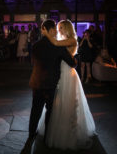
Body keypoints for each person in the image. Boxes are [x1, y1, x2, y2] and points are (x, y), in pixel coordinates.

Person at [39, 19, 96, 150]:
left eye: (61, 28)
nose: (59, 31)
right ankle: (57, 129)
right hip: (60, 72)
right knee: (58, 102)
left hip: (68, 74)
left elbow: (55, 42)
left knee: (68, 103)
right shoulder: (63, 40)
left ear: (67, 28)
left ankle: (69, 133)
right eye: (58, 28)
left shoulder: (72, 40)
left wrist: (46, 33)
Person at [23, 20, 77, 152]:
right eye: (55, 29)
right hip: (51, 85)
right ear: (51, 29)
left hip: (36, 82)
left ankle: (31, 136)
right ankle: (47, 137)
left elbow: (33, 62)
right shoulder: (58, 46)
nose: (56, 32)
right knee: (50, 112)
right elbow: (72, 63)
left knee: (35, 111)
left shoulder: (35, 46)